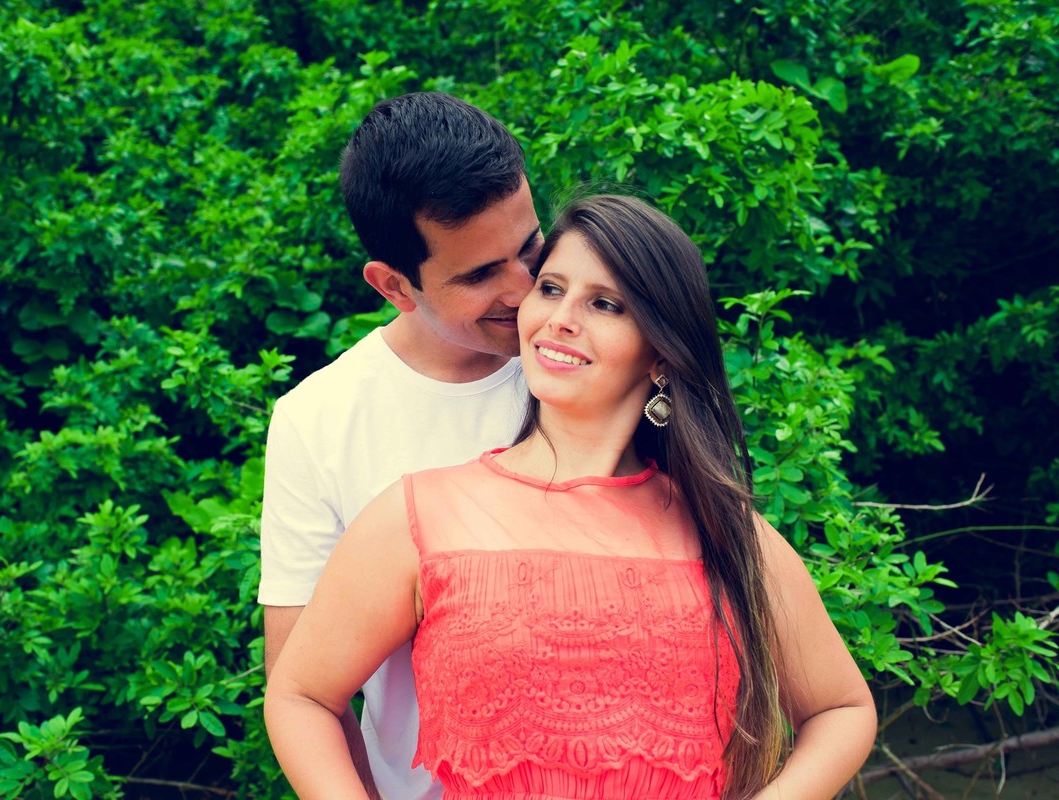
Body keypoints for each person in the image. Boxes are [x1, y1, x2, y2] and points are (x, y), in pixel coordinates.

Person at [264, 194, 878, 799]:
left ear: (661, 353)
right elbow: (301, 695)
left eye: (605, 304)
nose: (559, 318)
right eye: (551, 289)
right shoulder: (418, 515)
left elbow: (842, 709)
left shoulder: (724, 530)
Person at [257, 91, 542, 800]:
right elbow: (302, 688)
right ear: (394, 286)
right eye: (480, 274)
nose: (527, 287)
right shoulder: (319, 421)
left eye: (531, 247)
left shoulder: (593, 353)